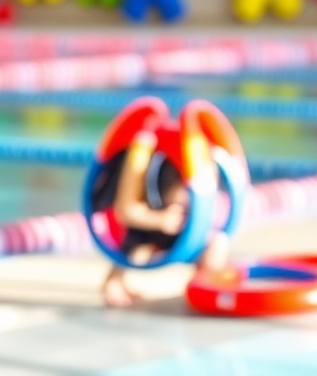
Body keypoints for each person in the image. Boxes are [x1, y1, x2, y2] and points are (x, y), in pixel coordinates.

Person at [97, 131, 230, 307]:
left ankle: (203, 285)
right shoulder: (143, 159)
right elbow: (125, 211)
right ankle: (114, 281)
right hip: (151, 226)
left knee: (218, 244)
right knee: (134, 245)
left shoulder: (202, 165)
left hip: (189, 233)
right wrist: (160, 220)